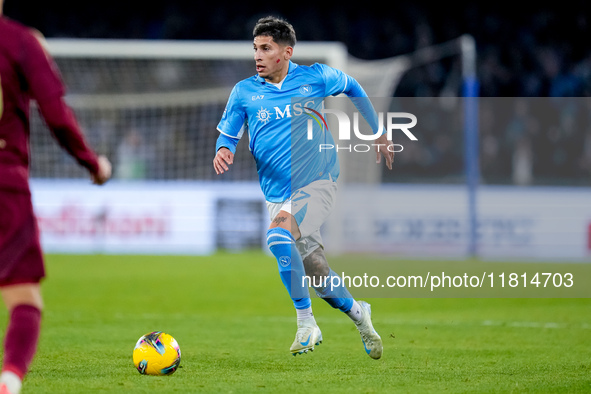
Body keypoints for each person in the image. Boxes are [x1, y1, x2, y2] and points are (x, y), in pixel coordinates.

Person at [213, 16, 393, 359]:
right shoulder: (244, 92)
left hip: (318, 182)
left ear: (286, 52)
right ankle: (360, 314)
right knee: (318, 272)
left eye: (266, 48)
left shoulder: (315, 78)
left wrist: (378, 131)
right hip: (277, 194)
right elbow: (229, 134)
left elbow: (353, 86)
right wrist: (224, 149)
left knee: (278, 236)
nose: (258, 55)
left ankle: (306, 323)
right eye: (255, 48)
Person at [0, 3, 112, 393]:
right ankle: (10, 379)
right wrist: (92, 163)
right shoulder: (19, 42)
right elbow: (56, 114)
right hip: (4, 180)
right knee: (24, 300)